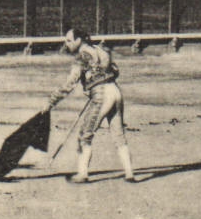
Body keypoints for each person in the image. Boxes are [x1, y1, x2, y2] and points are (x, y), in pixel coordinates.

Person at [42, 27, 137, 183]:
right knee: (118, 134)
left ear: (79, 40)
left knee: (84, 135)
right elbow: (115, 70)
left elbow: (69, 85)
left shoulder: (82, 57)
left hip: (101, 95)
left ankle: (83, 174)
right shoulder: (101, 49)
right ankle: (129, 173)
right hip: (115, 91)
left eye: (69, 41)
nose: (67, 44)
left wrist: (50, 102)